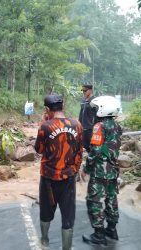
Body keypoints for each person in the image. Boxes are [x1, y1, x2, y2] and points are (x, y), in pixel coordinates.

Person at [34, 94, 83, 250]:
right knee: (68, 215)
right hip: (68, 177)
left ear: (47, 109)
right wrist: (75, 170)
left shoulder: (46, 126)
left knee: (46, 210)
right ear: (63, 106)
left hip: (49, 177)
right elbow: (79, 152)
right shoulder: (77, 124)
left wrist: (44, 122)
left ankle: (44, 241)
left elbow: (39, 149)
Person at [81, 96, 122, 246]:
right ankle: (111, 229)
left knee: (94, 200)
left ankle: (99, 235)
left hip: (100, 170)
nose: (96, 111)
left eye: (98, 108)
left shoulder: (100, 126)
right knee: (111, 198)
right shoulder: (117, 126)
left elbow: (95, 150)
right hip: (113, 170)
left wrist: (86, 168)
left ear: (104, 109)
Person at [79, 84, 97, 152]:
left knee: (92, 148)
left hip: (91, 129)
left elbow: (97, 115)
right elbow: (81, 114)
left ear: (90, 91)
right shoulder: (83, 101)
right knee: (84, 147)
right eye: (83, 91)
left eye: (85, 91)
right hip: (83, 128)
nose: (84, 92)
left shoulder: (94, 101)